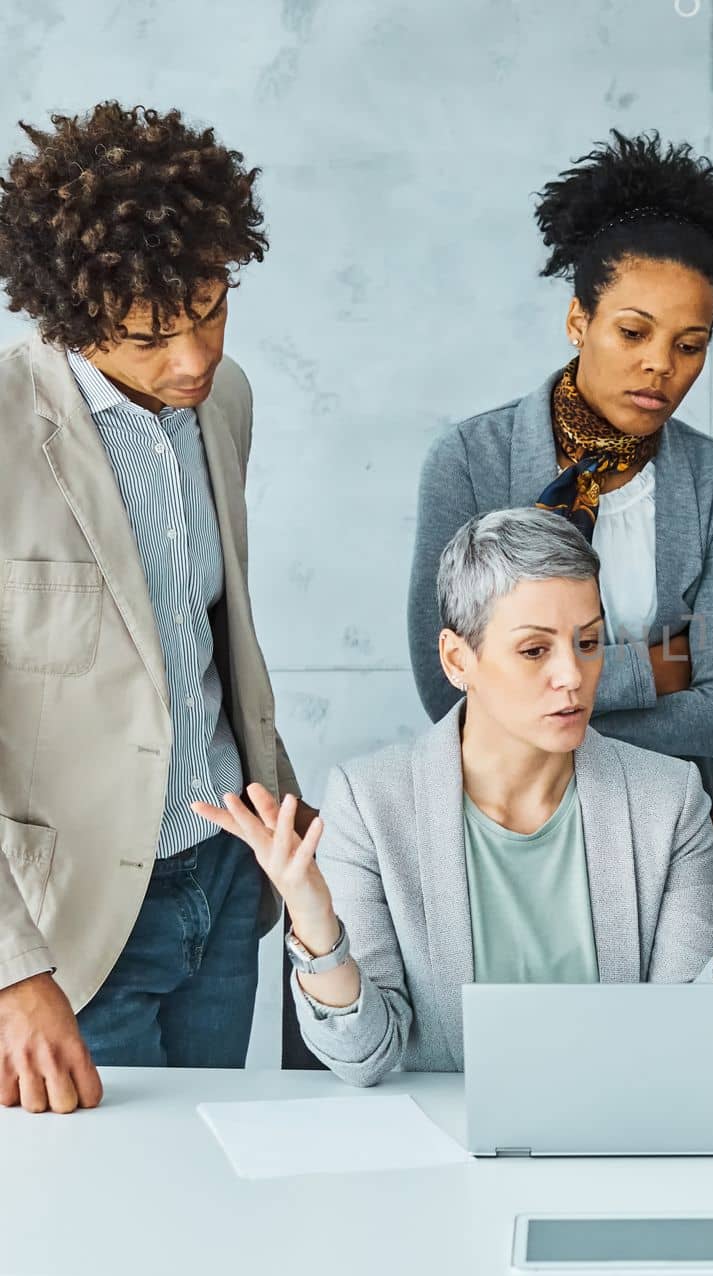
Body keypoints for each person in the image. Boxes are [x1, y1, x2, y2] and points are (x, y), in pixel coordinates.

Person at [201, 509, 713, 1086]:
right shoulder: (371, 803)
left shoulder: (668, 798)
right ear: (455, 660)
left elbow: (698, 1039)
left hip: (620, 1148)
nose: (574, 677)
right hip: (441, 1169)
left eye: (588, 643)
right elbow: (364, 1059)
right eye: (534, 650)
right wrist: (317, 923)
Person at [0, 102, 307, 1112]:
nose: (192, 359)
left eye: (212, 309)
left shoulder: (227, 403)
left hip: (223, 881)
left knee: (211, 1191)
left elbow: (210, 638)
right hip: (75, 920)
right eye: (147, 337)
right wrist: (11, 971)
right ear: (64, 316)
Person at [407, 131, 713, 935]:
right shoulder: (470, 461)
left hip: (676, 842)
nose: (660, 368)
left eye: (690, 344)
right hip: (500, 833)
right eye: (632, 333)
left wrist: (534, 681)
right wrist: (668, 664)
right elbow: (446, 690)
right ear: (580, 319)